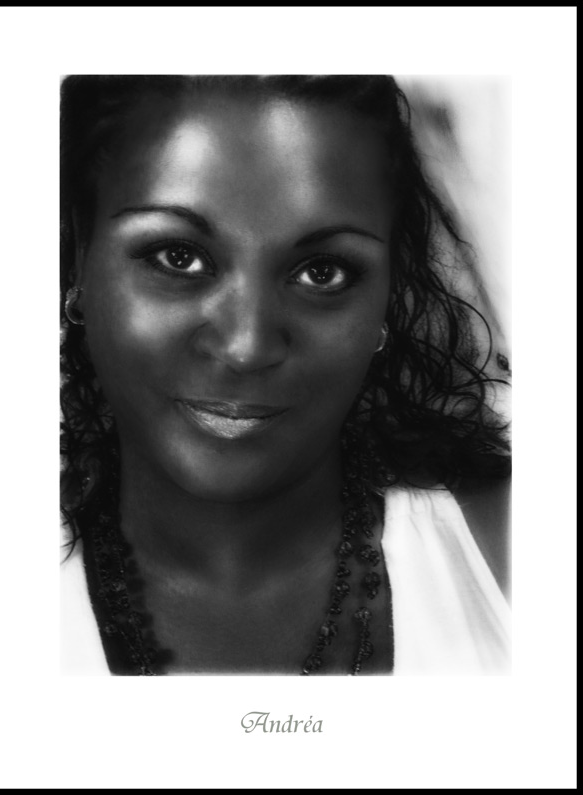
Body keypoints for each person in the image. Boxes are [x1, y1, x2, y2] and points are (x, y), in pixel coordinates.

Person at [60, 75, 511, 676]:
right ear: (78, 259)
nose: (246, 347)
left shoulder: (508, 548)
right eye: (178, 257)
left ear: (389, 293)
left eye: (322, 272)